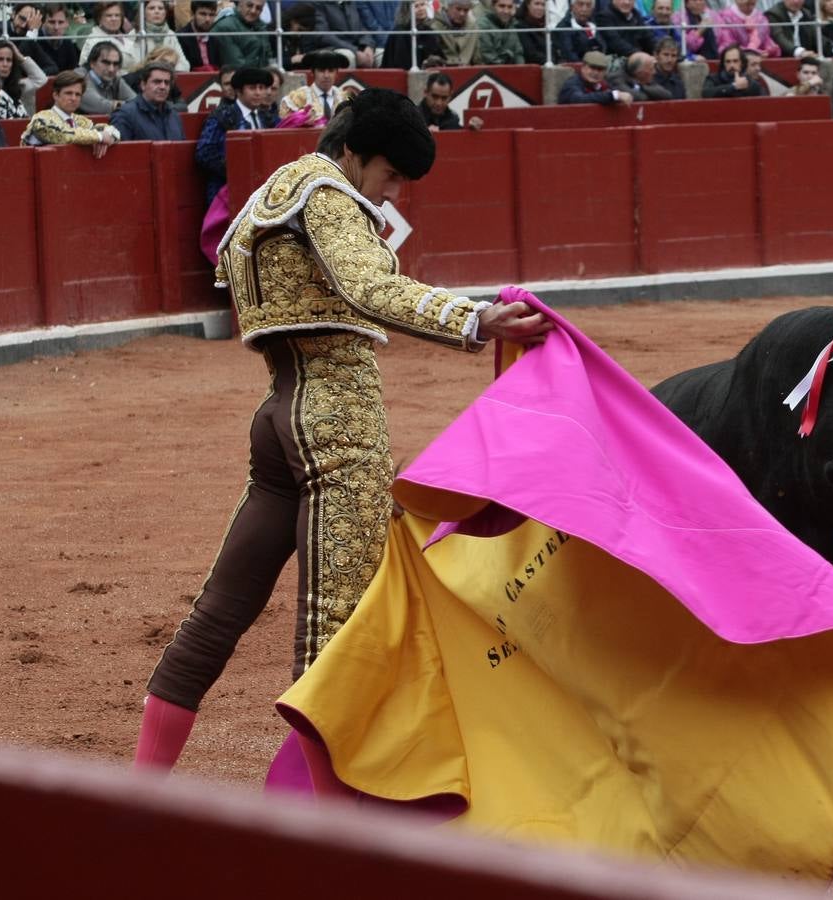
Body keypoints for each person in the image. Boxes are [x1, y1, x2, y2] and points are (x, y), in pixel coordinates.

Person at [133, 88, 553, 773]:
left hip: (279, 414)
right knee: (340, 626)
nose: (392, 192)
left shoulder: (274, 192)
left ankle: (140, 790)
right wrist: (473, 319)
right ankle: (326, 826)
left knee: (220, 610)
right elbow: (367, 287)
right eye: (389, 175)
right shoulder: (327, 193)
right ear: (354, 153)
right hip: (336, 418)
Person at [194, 67, 278, 204]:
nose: (258, 93)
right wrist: (237, 171)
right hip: (226, 189)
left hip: (261, 190)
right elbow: (204, 153)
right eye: (252, 88)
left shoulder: (268, 118)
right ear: (239, 91)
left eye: (261, 88)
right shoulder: (222, 116)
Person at [20, 68, 122, 153]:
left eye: (78, 94)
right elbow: (64, 135)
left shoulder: (79, 120)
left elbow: (113, 131)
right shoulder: (41, 119)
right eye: (68, 93)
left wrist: (109, 137)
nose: (73, 98)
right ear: (56, 95)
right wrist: (99, 137)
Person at [0, 40, 46, 118]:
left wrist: (20, 57)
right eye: (0, 59)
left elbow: (41, 79)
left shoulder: (19, 86)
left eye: (9, 60)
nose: (5, 64)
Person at [111, 60, 187, 138]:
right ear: (143, 85)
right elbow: (121, 149)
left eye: (167, 83)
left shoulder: (174, 115)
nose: (163, 87)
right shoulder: (125, 114)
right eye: (157, 82)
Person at [281, 49, 354, 123]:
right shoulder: (298, 98)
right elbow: (286, 124)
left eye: (331, 71)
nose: (326, 75)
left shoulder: (344, 98)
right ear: (312, 73)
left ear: (337, 73)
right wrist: (301, 121)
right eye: (321, 70)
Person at [312, 1, 379, 67]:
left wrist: (367, 46)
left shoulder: (351, 3)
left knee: (381, 53)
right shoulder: (319, 3)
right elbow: (323, 36)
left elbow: (362, 28)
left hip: (357, 47)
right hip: (333, 47)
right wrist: (354, 51)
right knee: (349, 55)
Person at [210, 0, 274, 68]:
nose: (253, 11)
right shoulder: (225, 27)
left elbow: (269, 58)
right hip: (237, 76)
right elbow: (236, 65)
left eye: (258, 8)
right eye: (249, 5)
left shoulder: (261, 26)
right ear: (240, 3)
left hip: (260, 75)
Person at [78, 2, 141, 70]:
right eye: (109, 15)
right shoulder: (93, 41)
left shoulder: (128, 39)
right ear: (99, 19)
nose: (114, 19)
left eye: (117, 15)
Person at [383, 0, 444, 69]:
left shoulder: (428, 30)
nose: (421, 9)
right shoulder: (401, 32)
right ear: (407, 10)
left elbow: (439, 56)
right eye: (416, 6)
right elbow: (401, 63)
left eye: (422, 4)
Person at [558, 49, 635, 103]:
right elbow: (579, 99)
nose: (596, 73)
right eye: (592, 68)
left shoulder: (603, 84)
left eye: (600, 69)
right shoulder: (572, 83)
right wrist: (613, 96)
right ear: (583, 67)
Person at [81, 40, 137, 113]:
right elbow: (99, 106)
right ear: (92, 63)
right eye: (106, 63)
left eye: (115, 64)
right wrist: (125, 105)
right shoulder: (79, 77)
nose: (111, 69)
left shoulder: (115, 79)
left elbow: (136, 101)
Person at [714, 0, 781, 57]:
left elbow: (766, 41)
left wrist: (769, 51)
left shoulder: (761, 18)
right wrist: (753, 52)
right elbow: (727, 44)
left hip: (758, 61)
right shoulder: (725, 17)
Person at [30, 3, 81, 74]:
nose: (56, 27)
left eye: (61, 22)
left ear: (67, 23)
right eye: (52, 22)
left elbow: (72, 74)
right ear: (43, 22)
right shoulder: (34, 40)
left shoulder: (68, 43)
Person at [140, 0, 190, 71]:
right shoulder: (136, 34)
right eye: (152, 8)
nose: (157, 11)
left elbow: (185, 65)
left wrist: (163, 68)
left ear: (165, 13)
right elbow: (136, 65)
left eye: (160, 8)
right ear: (144, 13)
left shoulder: (171, 34)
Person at [610, 50, 675, 99]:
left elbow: (666, 94)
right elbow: (641, 97)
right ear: (640, 73)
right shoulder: (616, 78)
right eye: (651, 69)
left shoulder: (645, 79)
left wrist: (640, 86)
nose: (654, 72)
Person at [431, 0, 480, 66]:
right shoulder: (434, 26)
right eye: (458, 9)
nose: (462, 14)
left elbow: (477, 57)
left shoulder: (473, 27)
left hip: (468, 70)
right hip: (444, 69)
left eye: (466, 10)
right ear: (448, 7)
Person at [178, 0, 219, 70]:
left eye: (211, 15)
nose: (207, 19)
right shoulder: (180, 38)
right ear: (192, 14)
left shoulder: (215, 38)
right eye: (203, 14)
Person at [515, 0, 550, 65]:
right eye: (537, 4)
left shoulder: (544, 25)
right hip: (532, 68)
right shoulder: (520, 26)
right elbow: (531, 54)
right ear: (528, 5)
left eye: (543, 5)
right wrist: (550, 61)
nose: (540, 8)